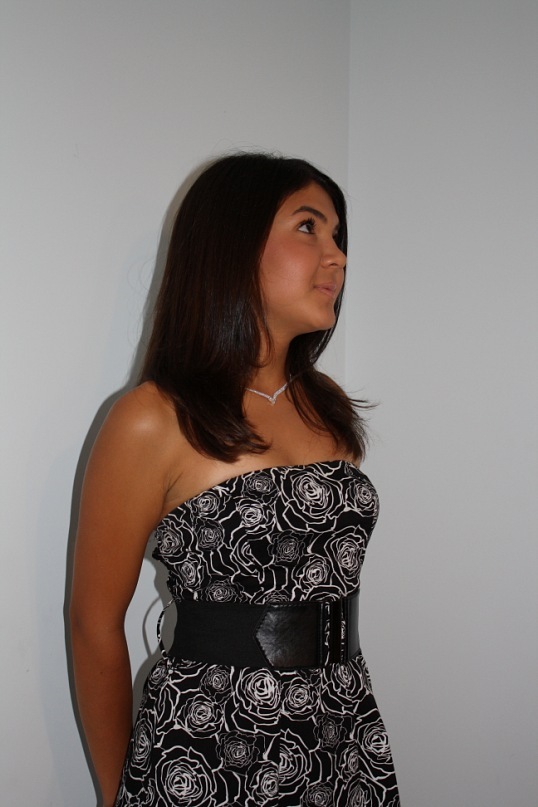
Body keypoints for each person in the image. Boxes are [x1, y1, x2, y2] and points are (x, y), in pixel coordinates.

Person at [70, 152, 400, 807]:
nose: (336, 257)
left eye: (337, 236)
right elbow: (92, 624)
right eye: (308, 227)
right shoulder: (151, 418)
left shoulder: (326, 405)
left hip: (340, 725)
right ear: (233, 244)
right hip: (212, 740)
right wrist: (118, 795)